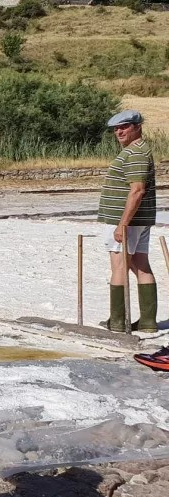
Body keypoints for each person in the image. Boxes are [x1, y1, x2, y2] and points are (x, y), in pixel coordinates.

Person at [98, 110, 158, 333]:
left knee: (119, 267)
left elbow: (137, 191)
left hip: (129, 221)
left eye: (124, 127)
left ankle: (118, 322)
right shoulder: (137, 151)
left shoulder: (136, 153)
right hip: (137, 220)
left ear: (137, 127)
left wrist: (122, 224)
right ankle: (148, 322)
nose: (119, 131)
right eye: (116, 129)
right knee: (140, 265)